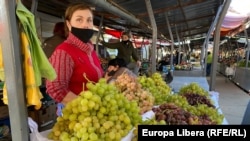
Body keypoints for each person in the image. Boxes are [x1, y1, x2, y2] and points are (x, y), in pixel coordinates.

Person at [46, 3, 104, 106]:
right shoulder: (64, 52)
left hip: (96, 111)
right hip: (80, 115)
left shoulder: (90, 50)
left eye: (89, 20)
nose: (85, 25)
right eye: (79, 20)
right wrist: (86, 106)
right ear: (68, 24)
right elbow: (55, 89)